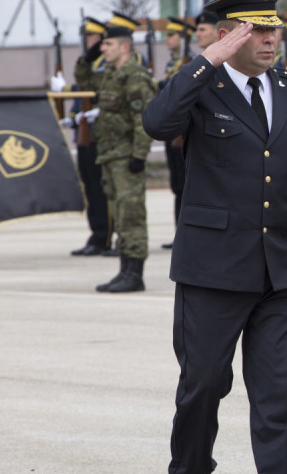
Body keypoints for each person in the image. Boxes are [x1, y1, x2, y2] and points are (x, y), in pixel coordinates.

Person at [142, 0, 287, 474]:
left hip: (279, 270)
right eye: (256, 30)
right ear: (228, 35)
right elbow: (157, 123)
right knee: (203, 386)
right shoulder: (202, 86)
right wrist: (207, 61)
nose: (270, 39)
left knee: (279, 393)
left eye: (274, 30)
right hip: (213, 270)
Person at [74, 15, 157, 292]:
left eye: (107, 44)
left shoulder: (135, 76)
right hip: (109, 155)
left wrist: (139, 156)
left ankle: (135, 273)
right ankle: (124, 270)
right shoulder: (110, 74)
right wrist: (87, 58)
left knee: (132, 215)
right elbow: (85, 82)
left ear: (124, 47)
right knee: (120, 215)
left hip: (126, 157)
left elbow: (143, 120)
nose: (103, 48)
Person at [69, 16, 113, 257]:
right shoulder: (91, 62)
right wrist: (74, 115)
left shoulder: (109, 62)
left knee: (101, 187)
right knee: (90, 187)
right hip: (87, 133)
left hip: (103, 134)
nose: (88, 40)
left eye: (91, 36)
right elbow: (82, 88)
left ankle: (105, 234)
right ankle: (97, 233)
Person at [159, 17, 196, 249]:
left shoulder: (190, 61)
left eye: (172, 35)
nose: (167, 39)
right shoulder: (172, 62)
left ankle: (186, 235)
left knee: (185, 185)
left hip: (182, 129)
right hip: (172, 129)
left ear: (183, 39)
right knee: (177, 185)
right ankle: (179, 234)